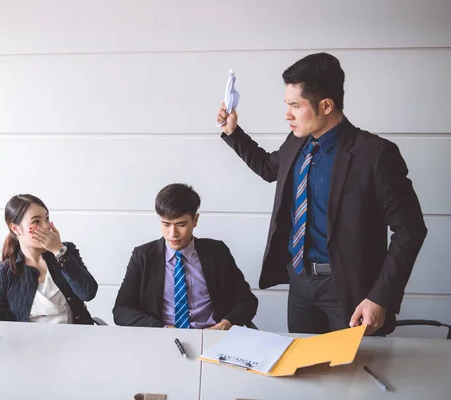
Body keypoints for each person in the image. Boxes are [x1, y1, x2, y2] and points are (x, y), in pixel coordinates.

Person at [216, 52, 427, 335]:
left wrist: (380, 297)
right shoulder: (297, 141)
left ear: (326, 105)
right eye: (286, 104)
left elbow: (410, 230)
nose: (287, 114)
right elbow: (269, 168)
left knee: (352, 376)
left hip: (351, 292)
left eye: (295, 105)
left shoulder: (375, 155)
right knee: (305, 372)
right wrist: (233, 132)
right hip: (300, 285)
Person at [113, 183, 258, 329]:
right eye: (166, 224)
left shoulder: (217, 252)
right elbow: (121, 310)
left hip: (211, 334)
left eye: (181, 224)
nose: (172, 233)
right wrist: (162, 328)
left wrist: (225, 324)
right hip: (162, 337)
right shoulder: (142, 256)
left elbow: (248, 301)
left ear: (195, 220)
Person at [0, 194, 98, 323]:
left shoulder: (66, 252)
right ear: (16, 228)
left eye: (47, 218)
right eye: (36, 221)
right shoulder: (5, 272)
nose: (46, 227)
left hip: (76, 338)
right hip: (28, 342)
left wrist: (59, 251)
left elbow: (88, 293)